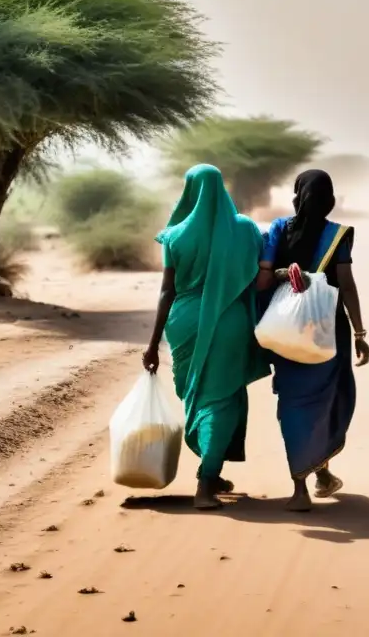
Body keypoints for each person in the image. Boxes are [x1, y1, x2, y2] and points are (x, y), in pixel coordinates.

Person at [143, 164, 270, 510]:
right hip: (229, 320)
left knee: (198, 394)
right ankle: (205, 483)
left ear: (189, 190)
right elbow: (259, 278)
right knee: (222, 398)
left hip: (183, 322)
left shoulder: (175, 234)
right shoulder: (245, 229)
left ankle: (211, 473)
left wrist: (153, 343)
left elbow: (166, 292)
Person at [258, 170, 369, 512]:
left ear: (297, 195)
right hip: (327, 330)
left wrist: (280, 274)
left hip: (287, 330)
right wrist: (359, 332)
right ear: (330, 200)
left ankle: (301, 486)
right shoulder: (338, 235)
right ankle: (320, 472)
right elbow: (347, 284)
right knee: (326, 402)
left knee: (293, 404)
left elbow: (261, 282)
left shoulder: (278, 229)